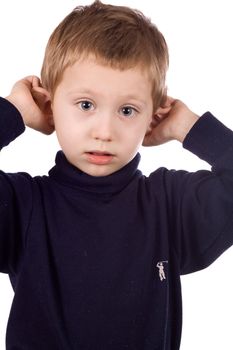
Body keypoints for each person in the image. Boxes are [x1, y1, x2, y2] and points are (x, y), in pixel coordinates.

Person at [1, 0, 233, 349]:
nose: (104, 131)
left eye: (127, 110)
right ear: (49, 106)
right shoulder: (23, 206)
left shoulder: (170, 206)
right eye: (85, 105)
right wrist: (13, 112)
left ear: (153, 116)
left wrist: (189, 127)